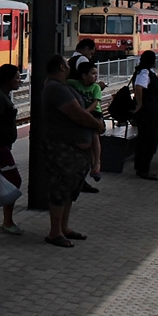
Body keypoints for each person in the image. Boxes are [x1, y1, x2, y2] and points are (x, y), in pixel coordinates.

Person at [41, 54, 105, 248]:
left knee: (69, 190)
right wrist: (97, 125)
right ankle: (55, 232)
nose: (70, 67)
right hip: (63, 149)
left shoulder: (61, 86)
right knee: (61, 189)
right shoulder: (56, 89)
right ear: (61, 67)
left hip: (75, 149)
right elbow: (76, 114)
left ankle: (64, 228)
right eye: (67, 64)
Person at [0, 64, 23, 234]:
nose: (19, 80)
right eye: (17, 77)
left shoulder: (2, 94)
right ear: (8, 79)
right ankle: (7, 221)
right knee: (13, 180)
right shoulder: (0, 98)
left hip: (1, 146)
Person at [68, 60, 104, 189]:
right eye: (93, 73)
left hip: (94, 114)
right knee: (86, 141)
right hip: (83, 115)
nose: (96, 76)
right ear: (84, 75)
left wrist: (85, 112)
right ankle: (92, 164)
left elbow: (95, 103)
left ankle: (97, 163)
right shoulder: (75, 84)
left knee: (94, 136)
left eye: (96, 73)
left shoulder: (96, 87)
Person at [132, 50, 158, 181]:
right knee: (148, 140)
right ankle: (143, 169)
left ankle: (142, 168)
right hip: (148, 113)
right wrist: (139, 104)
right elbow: (139, 87)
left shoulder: (144, 71)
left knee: (146, 140)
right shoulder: (144, 72)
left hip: (150, 112)